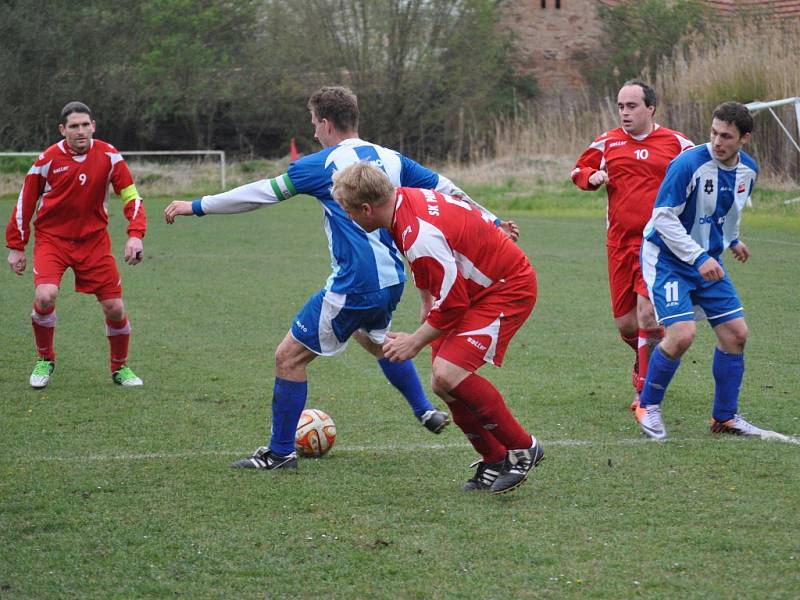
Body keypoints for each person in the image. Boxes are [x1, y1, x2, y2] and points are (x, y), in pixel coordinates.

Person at [164, 86, 517, 470]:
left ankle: (280, 452)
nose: (314, 132)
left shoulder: (323, 164)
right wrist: (493, 220)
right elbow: (446, 188)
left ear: (327, 123)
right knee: (374, 339)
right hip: (391, 279)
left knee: (288, 357)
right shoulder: (390, 158)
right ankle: (423, 409)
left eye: (315, 124)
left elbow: (261, 193)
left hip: (356, 282)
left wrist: (196, 206)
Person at [331, 161, 543, 495]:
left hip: (505, 288)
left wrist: (414, 342)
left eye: (347, 209)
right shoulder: (403, 202)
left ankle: (523, 447)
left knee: (447, 374)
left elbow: (454, 300)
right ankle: (495, 458)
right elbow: (440, 253)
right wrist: (427, 300)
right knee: (443, 385)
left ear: (367, 208)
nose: (347, 216)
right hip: (473, 288)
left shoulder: (416, 233)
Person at [637, 101, 782, 440]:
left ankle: (725, 418)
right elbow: (662, 218)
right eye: (714, 133)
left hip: (707, 260)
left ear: (744, 138)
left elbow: (731, 209)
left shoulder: (749, 170)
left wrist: (732, 239)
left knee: (736, 334)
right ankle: (648, 405)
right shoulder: (688, 164)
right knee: (682, 335)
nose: (718, 141)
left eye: (727, 136)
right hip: (669, 259)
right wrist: (699, 256)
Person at [571, 80, 693, 412]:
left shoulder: (677, 144)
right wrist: (591, 178)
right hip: (619, 244)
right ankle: (650, 359)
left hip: (657, 244)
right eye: (621, 106)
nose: (625, 112)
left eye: (632, 106)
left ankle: (645, 393)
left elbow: (701, 173)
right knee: (627, 324)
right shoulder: (607, 142)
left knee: (647, 315)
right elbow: (579, 169)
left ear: (651, 108)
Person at [6, 101, 146, 388]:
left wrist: (135, 233)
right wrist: (17, 245)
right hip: (52, 240)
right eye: (74, 126)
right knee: (45, 296)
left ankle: (120, 368)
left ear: (93, 125)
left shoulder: (110, 156)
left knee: (115, 308)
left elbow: (131, 195)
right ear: (63, 130)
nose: (81, 131)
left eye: (85, 125)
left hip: (93, 242)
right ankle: (45, 359)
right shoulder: (46, 160)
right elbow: (25, 202)